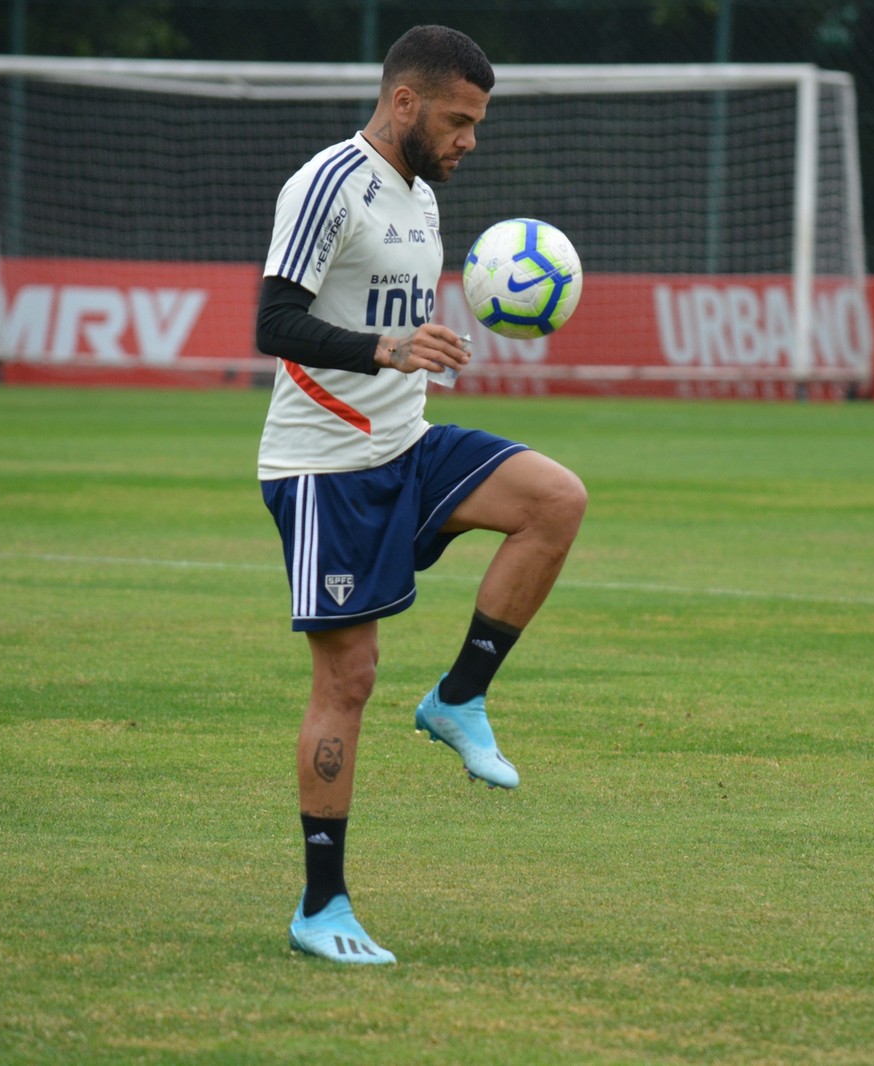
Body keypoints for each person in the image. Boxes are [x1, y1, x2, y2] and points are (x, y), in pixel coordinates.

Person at [252, 25, 587, 965]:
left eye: (476, 123)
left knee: (554, 500)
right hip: (326, 469)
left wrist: (415, 347)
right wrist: (386, 349)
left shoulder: (422, 198)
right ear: (406, 103)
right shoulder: (328, 182)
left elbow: (387, 318)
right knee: (348, 681)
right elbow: (273, 321)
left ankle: (459, 699)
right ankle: (322, 906)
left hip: (408, 444)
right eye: (459, 119)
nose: (469, 139)